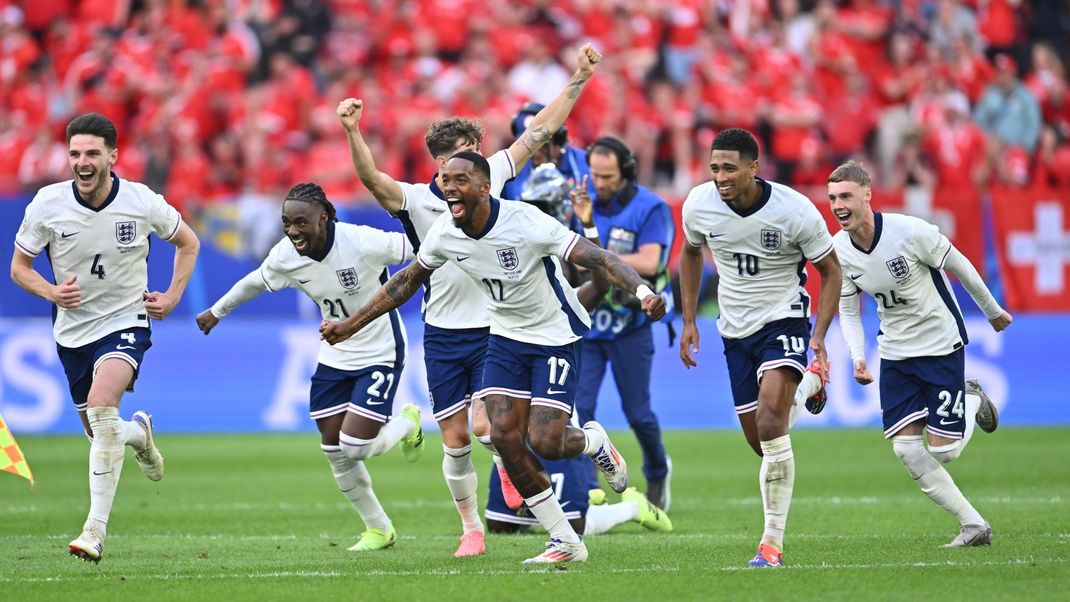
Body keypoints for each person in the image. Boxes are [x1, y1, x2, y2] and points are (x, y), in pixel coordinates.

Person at [321, 152, 666, 564]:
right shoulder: (446, 232)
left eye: (460, 179)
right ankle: (566, 542)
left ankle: (593, 441)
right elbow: (407, 281)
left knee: (546, 442)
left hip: (555, 334)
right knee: (503, 437)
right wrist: (351, 324)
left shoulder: (526, 221)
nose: (449, 187)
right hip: (504, 337)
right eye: (444, 179)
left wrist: (643, 292)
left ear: (485, 187)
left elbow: (598, 258)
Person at [336, 42, 604, 558]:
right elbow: (370, 178)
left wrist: (577, 79)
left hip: (493, 326)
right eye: (450, 160)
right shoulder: (415, 200)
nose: (459, 168)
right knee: (456, 440)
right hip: (441, 332)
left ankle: (511, 469)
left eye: (468, 158)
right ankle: (471, 528)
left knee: (489, 427)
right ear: (437, 163)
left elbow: (538, 132)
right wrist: (352, 131)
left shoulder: (491, 178)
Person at [10, 112, 200, 563]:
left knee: (100, 407)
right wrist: (51, 291)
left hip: (125, 319)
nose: (82, 162)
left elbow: (188, 242)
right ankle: (139, 435)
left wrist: (172, 297)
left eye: (92, 153)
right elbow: (19, 267)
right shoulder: (47, 205)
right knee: (102, 431)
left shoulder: (141, 202)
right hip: (73, 332)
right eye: (75, 153)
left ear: (113, 156)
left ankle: (94, 530)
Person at [195, 183, 422, 553]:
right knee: (334, 448)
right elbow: (255, 281)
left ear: (325, 217)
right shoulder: (286, 254)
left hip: (380, 349)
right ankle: (378, 529)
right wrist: (217, 311)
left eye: (301, 222)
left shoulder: (362, 241)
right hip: (334, 354)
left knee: (357, 446)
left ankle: (407, 422)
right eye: (287, 222)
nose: (293, 230)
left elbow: (420, 250)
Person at [678, 128, 840, 569]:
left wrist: (820, 334)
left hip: (783, 317)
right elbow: (690, 253)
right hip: (734, 330)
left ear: (754, 167)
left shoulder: (794, 210)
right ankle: (811, 385)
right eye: (714, 168)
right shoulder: (699, 204)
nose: (720, 177)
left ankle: (771, 543)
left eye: (730, 168)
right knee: (762, 440)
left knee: (771, 421)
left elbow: (830, 268)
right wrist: (690, 320)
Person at [827, 161, 1010, 548]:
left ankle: (971, 396)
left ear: (867, 195)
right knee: (905, 449)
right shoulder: (839, 251)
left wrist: (991, 310)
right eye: (832, 198)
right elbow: (846, 308)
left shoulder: (910, 232)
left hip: (939, 344)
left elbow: (960, 266)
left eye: (845, 195)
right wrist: (857, 356)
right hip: (895, 353)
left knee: (945, 452)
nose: (838, 205)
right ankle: (973, 525)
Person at [484, 164, 672, 538]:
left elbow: (596, 286)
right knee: (503, 523)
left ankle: (626, 507)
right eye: (533, 201)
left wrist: (589, 229)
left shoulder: (552, 239)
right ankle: (549, 510)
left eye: (545, 202)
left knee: (575, 515)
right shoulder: (506, 237)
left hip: (556, 356)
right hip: (513, 348)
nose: (537, 207)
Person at [570, 136, 675, 511]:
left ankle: (658, 470)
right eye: (595, 175)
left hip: (631, 324)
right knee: (580, 410)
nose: (600, 184)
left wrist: (600, 258)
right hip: (590, 326)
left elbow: (650, 262)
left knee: (639, 413)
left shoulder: (651, 208)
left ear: (627, 171)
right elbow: (571, 259)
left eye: (608, 176)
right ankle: (587, 488)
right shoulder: (583, 206)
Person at [499, 102, 592, 201]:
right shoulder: (510, 172)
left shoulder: (588, 166)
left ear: (559, 139)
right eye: (526, 145)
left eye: (540, 145)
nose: (534, 152)